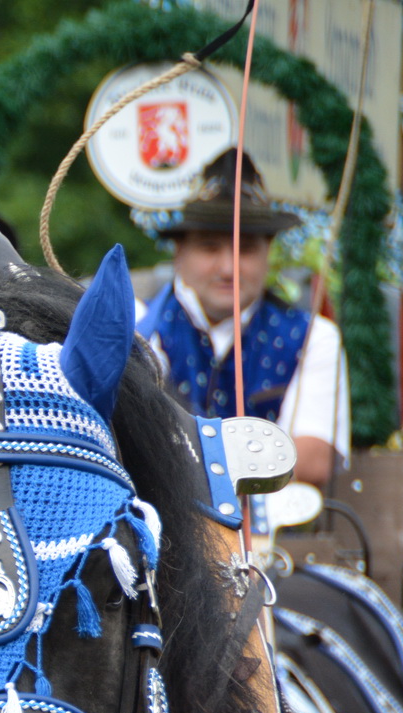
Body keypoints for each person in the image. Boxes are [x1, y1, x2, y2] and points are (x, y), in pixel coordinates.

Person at [136, 148, 348, 486]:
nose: (228, 268)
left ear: (268, 254)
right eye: (209, 247)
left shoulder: (313, 337)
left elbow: (311, 460)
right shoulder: (139, 327)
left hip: (272, 533)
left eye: (245, 249)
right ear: (180, 254)